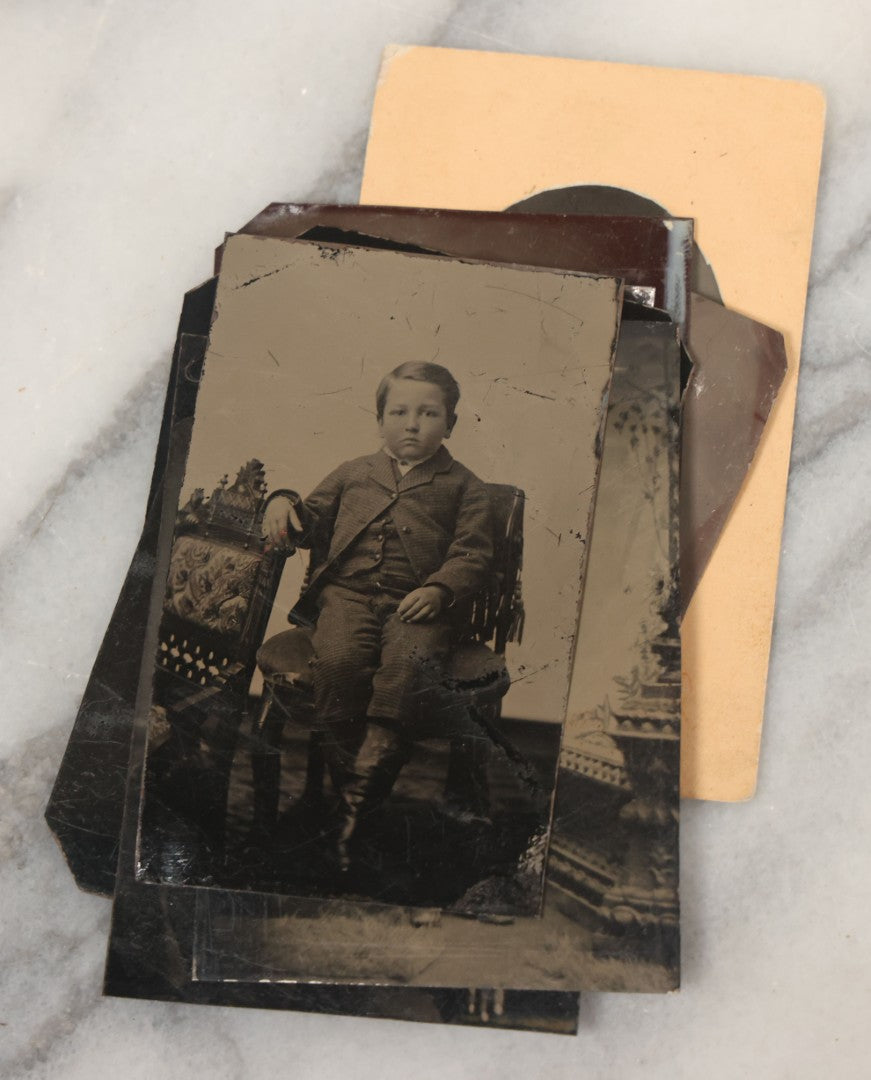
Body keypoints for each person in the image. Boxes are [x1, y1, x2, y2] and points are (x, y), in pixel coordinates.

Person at [262, 361, 493, 867]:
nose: (413, 424)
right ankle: (350, 802)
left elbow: (473, 554)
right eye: (400, 412)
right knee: (340, 666)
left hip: (418, 610)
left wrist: (439, 588)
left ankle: (352, 816)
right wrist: (281, 499)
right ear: (380, 419)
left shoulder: (465, 486)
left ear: (450, 424)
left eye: (429, 413)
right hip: (346, 599)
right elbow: (306, 520)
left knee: (405, 675)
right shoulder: (353, 472)